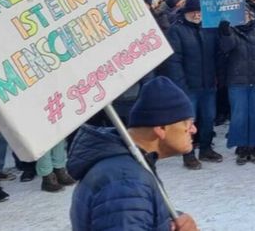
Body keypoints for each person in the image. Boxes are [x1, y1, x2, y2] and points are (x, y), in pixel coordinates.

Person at [68, 76, 200, 231]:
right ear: (161, 129)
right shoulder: (126, 182)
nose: (193, 130)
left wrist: (171, 220)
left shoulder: (128, 169)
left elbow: (135, 215)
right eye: (188, 123)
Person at [160, 0, 227, 168]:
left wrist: (224, 31)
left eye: (200, 12)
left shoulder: (210, 28)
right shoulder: (176, 30)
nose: (197, 15)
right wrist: (180, 85)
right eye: (194, 12)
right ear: (186, 12)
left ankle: (205, 149)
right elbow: (174, 61)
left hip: (209, 84)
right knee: (188, 123)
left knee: (208, 118)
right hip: (188, 86)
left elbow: (220, 53)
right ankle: (188, 154)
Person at [220, 9, 255, 165]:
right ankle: (242, 147)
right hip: (237, 82)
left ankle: (253, 146)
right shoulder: (231, 31)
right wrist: (225, 30)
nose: (243, 17)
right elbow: (226, 47)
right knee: (239, 116)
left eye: (246, 14)